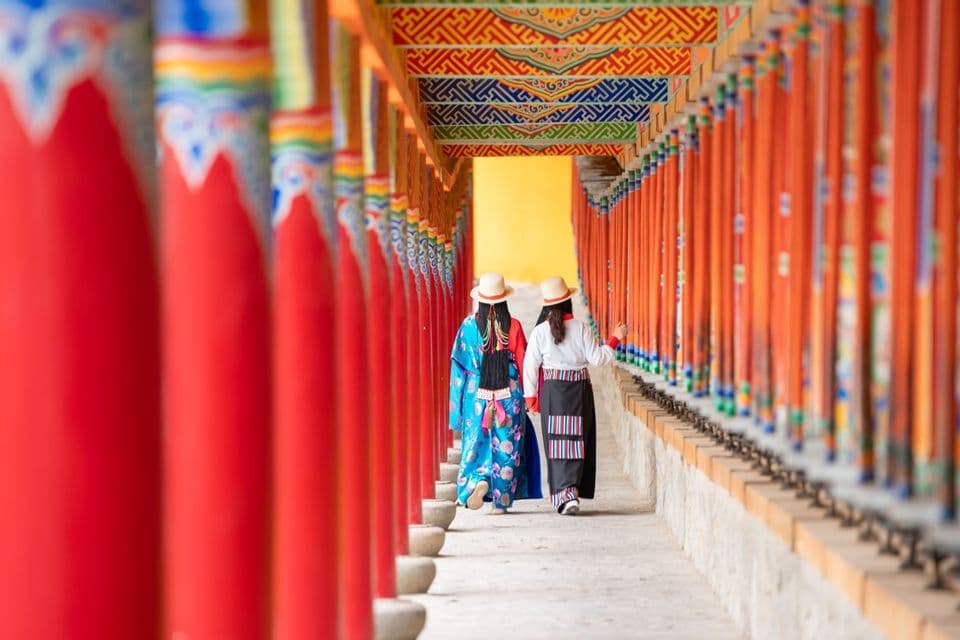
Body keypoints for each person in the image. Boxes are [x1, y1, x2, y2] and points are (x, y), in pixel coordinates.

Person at [523, 276, 627, 515]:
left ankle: (564, 495)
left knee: (557, 443)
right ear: (568, 301)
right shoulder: (580, 328)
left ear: (547, 306)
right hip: (578, 392)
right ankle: (572, 493)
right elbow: (598, 358)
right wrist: (615, 338)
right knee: (576, 442)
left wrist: (531, 397)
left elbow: (530, 366)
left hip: (552, 393)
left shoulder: (540, 332)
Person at [448, 273, 542, 513]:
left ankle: (477, 482)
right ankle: (500, 503)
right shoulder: (514, 325)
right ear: (503, 299)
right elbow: (524, 363)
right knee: (507, 449)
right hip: (508, 396)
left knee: (474, 446)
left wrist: (456, 413)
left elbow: (458, 371)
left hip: (476, 397)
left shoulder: (468, 327)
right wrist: (530, 396)